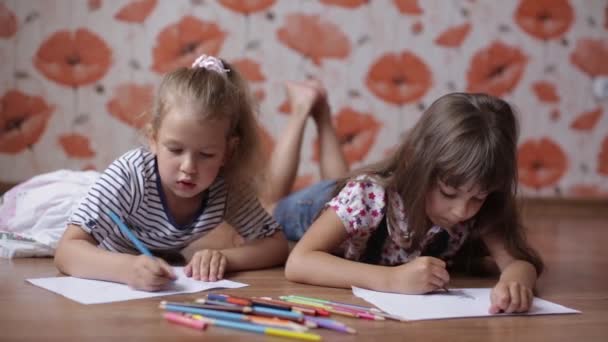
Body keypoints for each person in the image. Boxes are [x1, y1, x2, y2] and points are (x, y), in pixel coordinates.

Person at [271, 86, 543, 314]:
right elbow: (299, 262)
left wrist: (515, 282)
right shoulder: (367, 195)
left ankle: (322, 115)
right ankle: (302, 108)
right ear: (417, 164)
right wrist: (391, 279)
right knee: (270, 205)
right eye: (448, 193)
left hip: (350, 207)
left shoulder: (479, 206)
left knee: (341, 183)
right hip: (310, 208)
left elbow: (519, 263)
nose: (462, 211)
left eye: (479, 196)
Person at [54, 55, 289, 291]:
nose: (188, 167)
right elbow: (66, 251)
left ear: (228, 152)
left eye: (206, 154)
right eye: (175, 149)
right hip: (102, 250)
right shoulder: (131, 176)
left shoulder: (226, 186)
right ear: (153, 139)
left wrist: (225, 258)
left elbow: (276, 244)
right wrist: (126, 269)